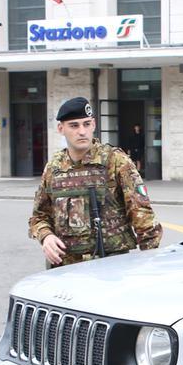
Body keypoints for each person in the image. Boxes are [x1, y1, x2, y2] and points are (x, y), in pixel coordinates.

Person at [29, 97, 161, 267]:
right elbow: (39, 217)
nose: (82, 131)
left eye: (86, 124)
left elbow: (143, 217)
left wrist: (150, 262)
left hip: (110, 267)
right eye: (74, 125)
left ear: (94, 125)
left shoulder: (115, 161)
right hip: (64, 269)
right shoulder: (54, 168)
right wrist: (46, 236)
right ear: (61, 129)